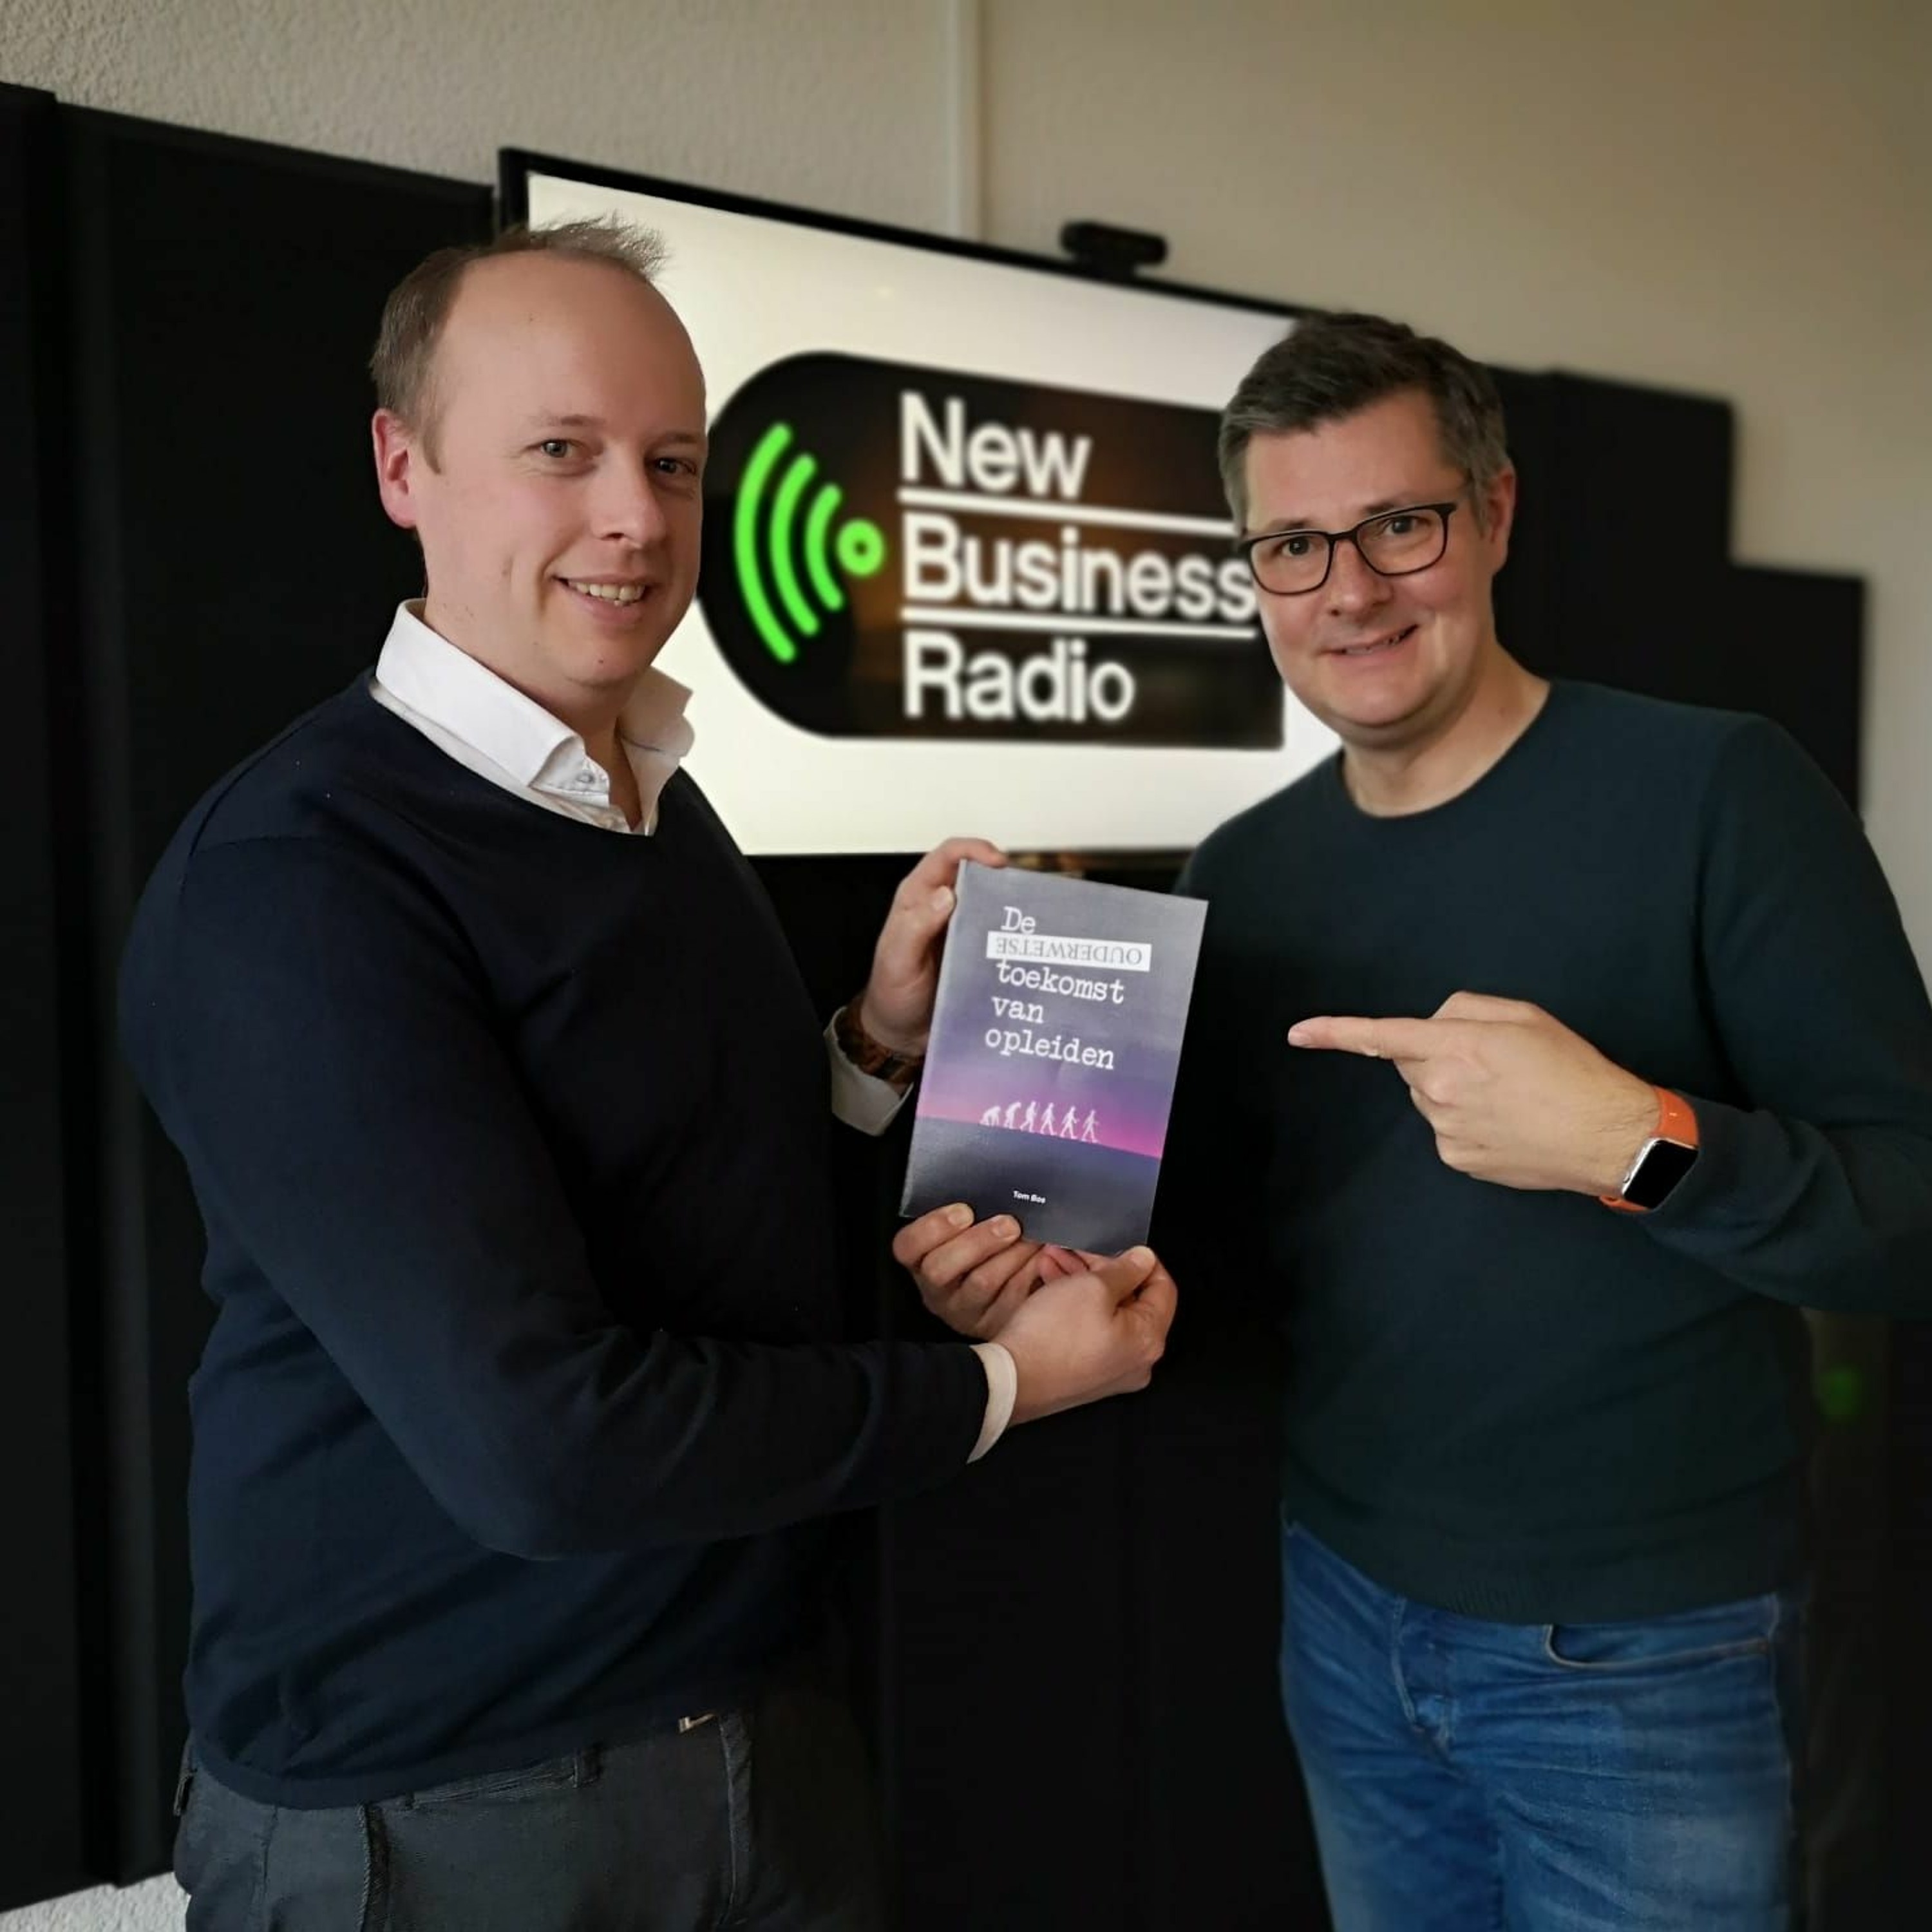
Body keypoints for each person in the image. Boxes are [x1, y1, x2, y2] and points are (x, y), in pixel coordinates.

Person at [119, 218, 1175, 1932]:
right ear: (403, 465)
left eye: (673, 462)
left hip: (758, 1731)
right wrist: (1001, 1387)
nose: (636, 516)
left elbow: (675, 1195)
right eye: (563, 450)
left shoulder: (648, 792)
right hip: (450, 1811)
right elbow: (545, 1448)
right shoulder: (298, 877)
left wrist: (875, 1042)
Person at [909, 311, 1932, 1928]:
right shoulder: (1245, 870)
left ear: (1495, 512)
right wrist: (1034, 1261)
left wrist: (1640, 1145)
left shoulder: (1721, 794)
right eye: (1295, 546)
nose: (1351, 591)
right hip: (1345, 1612)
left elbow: (1910, 1213)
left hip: (1646, 1651)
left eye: (1400, 525)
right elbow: (1232, 1263)